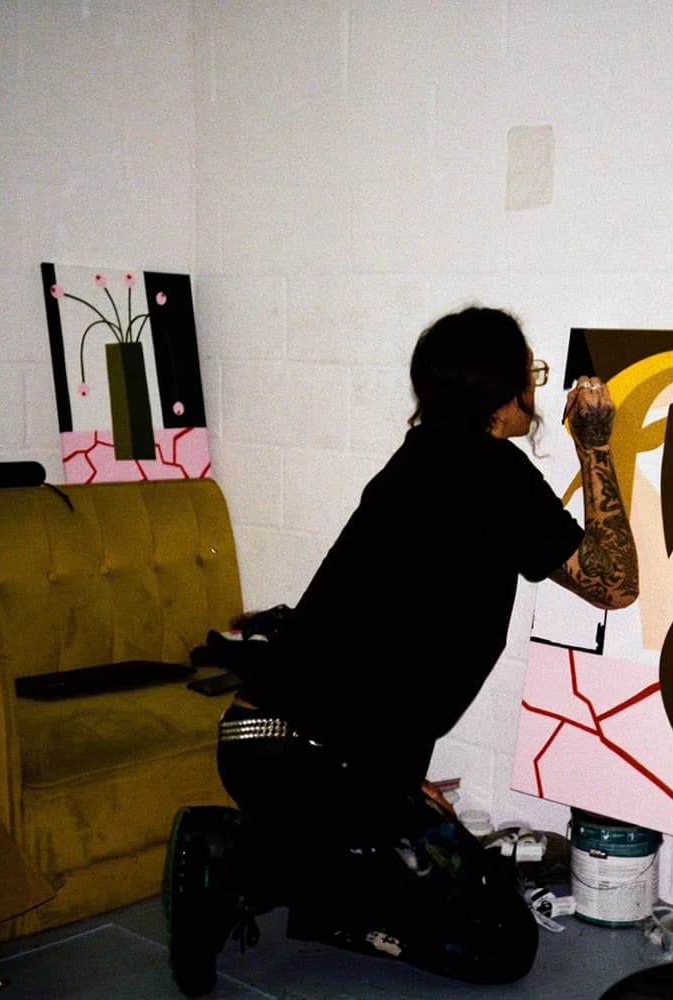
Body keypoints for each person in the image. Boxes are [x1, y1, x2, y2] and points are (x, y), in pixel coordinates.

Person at [164, 305, 638, 996]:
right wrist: (595, 441)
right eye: (528, 375)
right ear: (500, 389)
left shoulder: (417, 460)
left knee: (409, 865)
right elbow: (613, 583)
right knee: (499, 949)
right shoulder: (492, 472)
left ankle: (279, 863)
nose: (533, 394)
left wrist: (390, 778)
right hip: (318, 761)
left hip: (269, 742)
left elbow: (376, 644)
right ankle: (238, 859)